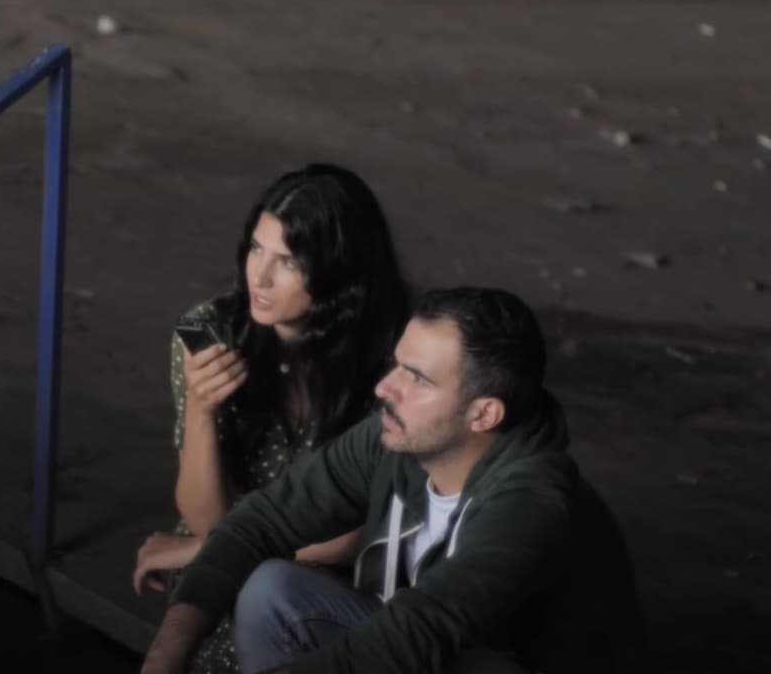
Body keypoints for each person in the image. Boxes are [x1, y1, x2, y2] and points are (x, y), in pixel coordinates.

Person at [141, 287, 641, 674]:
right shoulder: (396, 439)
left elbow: (420, 633)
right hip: (427, 647)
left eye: (417, 378)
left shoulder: (532, 503)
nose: (385, 388)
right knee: (272, 589)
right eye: (396, 365)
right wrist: (168, 652)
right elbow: (264, 521)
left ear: (483, 413)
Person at [132, 164, 410, 674]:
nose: (258, 277)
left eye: (288, 261)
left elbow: (352, 539)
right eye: (256, 249)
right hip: (230, 559)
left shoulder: (394, 362)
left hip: (318, 584)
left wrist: (202, 551)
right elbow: (205, 515)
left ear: (339, 272)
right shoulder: (211, 332)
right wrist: (201, 409)